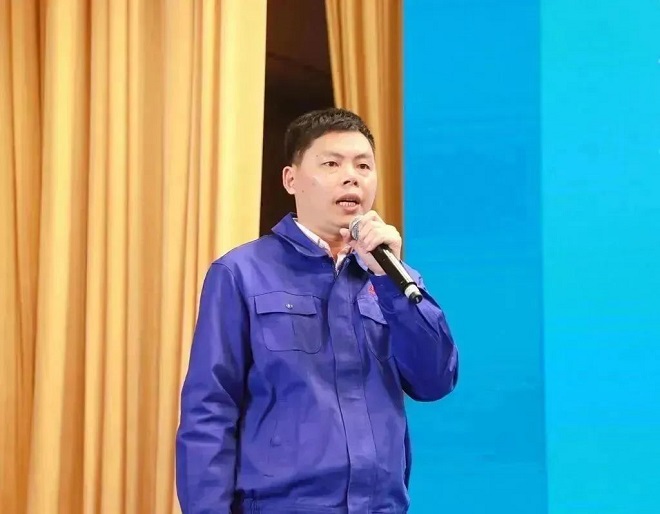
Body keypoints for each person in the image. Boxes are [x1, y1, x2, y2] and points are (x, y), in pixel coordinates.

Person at [175, 108, 459, 514]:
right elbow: (209, 410)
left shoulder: (394, 277)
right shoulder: (241, 273)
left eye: (364, 165)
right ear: (291, 179)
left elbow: (435, 380)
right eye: (331, 164)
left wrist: (390, 283)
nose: (352, 177)